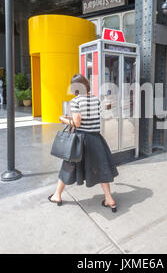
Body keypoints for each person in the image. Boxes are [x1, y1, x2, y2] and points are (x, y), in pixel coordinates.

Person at [49, 74, 119, 213]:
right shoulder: (95, 99)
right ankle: (109, 199)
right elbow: (90, 116)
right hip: (96, 140)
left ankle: (57, 195)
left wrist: (62, 119)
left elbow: (77, 123)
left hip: (80, 142)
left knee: (68, 167)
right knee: (101, 169)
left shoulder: (76, 101)